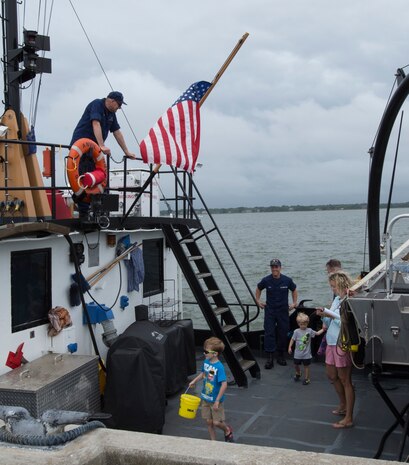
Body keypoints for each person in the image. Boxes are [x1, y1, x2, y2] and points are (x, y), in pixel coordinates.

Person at [316, 271, 355, 429]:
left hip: (342, 343)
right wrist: (323, 315)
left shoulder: (349, 300)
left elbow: (347, 322)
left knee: (345, 379)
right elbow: (330, 320)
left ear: (341, 285)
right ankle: (343, 404)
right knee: (332, 375)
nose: (332, 289)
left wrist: (332, 316)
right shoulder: (337, 300)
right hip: (331, 342)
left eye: (334, 286)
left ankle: (349, 417)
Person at [189, 337, 234, 442]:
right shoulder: (206, 361)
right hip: (205, 397)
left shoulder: (219, 367)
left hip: (215, 400)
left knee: (217, 422)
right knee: (209, 422)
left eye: (206, 351)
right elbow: (203, 374)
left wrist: (217, 400)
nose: (204, 353)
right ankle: (213, 442)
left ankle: (227, 430)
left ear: (215, 354)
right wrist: (194, 381)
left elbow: (224, 384)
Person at [255, 258, 298, 368]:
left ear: (280, 267)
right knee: (269, 333)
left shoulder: (287, 280)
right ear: (271, 268)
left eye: (276, 267)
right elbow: (258, 288)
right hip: (270, 310)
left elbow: (294, 289)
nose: (274, 269)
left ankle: (280, 355)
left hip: (283, 310)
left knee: (283, 332)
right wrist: (258, 301)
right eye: (272, 267)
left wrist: (294, 303)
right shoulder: (266, 280)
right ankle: (270, 358)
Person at [70, 91, 136, 159]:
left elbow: (117, 132)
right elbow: (96, 123)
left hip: (93, 149)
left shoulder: (112, 113)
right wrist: (101, 145)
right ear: (112, 101)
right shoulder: (97, 104)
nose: (120, 108)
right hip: (80, 145)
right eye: (119, 104)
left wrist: (126, 152)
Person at [288, 312, 325, 385]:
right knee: (296, 364)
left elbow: (317, 333)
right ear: (298, 324)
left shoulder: (309, 331)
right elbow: (292, 339)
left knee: (306, 366)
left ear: (307, 323)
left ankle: (307, 378)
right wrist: (289, 347)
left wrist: (323, 329)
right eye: (301, 324)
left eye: (305, 324)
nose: (303, 326)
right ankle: (298, 373)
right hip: (297, 353)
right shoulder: (296, 332)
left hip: (306, 354)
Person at [317, 259, 343, 356]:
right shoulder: (336, 296)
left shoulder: (342, 291)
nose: (328, 275)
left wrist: (329, 315)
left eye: (328, 272)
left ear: (333, 270)